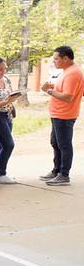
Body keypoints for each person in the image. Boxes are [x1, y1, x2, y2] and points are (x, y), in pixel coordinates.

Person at [40, 46, 83, 186]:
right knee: (55, 143)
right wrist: (53, 86)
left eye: (57, 59)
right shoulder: (67, 71)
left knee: (64, 145)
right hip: (58, 114)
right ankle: (56, 170)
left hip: (64, 115)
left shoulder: (72, 73)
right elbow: (65, 89)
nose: (54, 61)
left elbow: (68, 97)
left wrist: (49, 91)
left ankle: (64, 175)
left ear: (66, 58)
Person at [0, 56, 21, 184]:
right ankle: (2, 173)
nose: (3, 72)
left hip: (8, 114)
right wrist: (6, 101)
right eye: (0, 70)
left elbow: (10, 94)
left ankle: (0, 171)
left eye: (5, 69)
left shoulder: (6, 80)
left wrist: (13, 98)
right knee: (8, 144)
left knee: (2, 145)